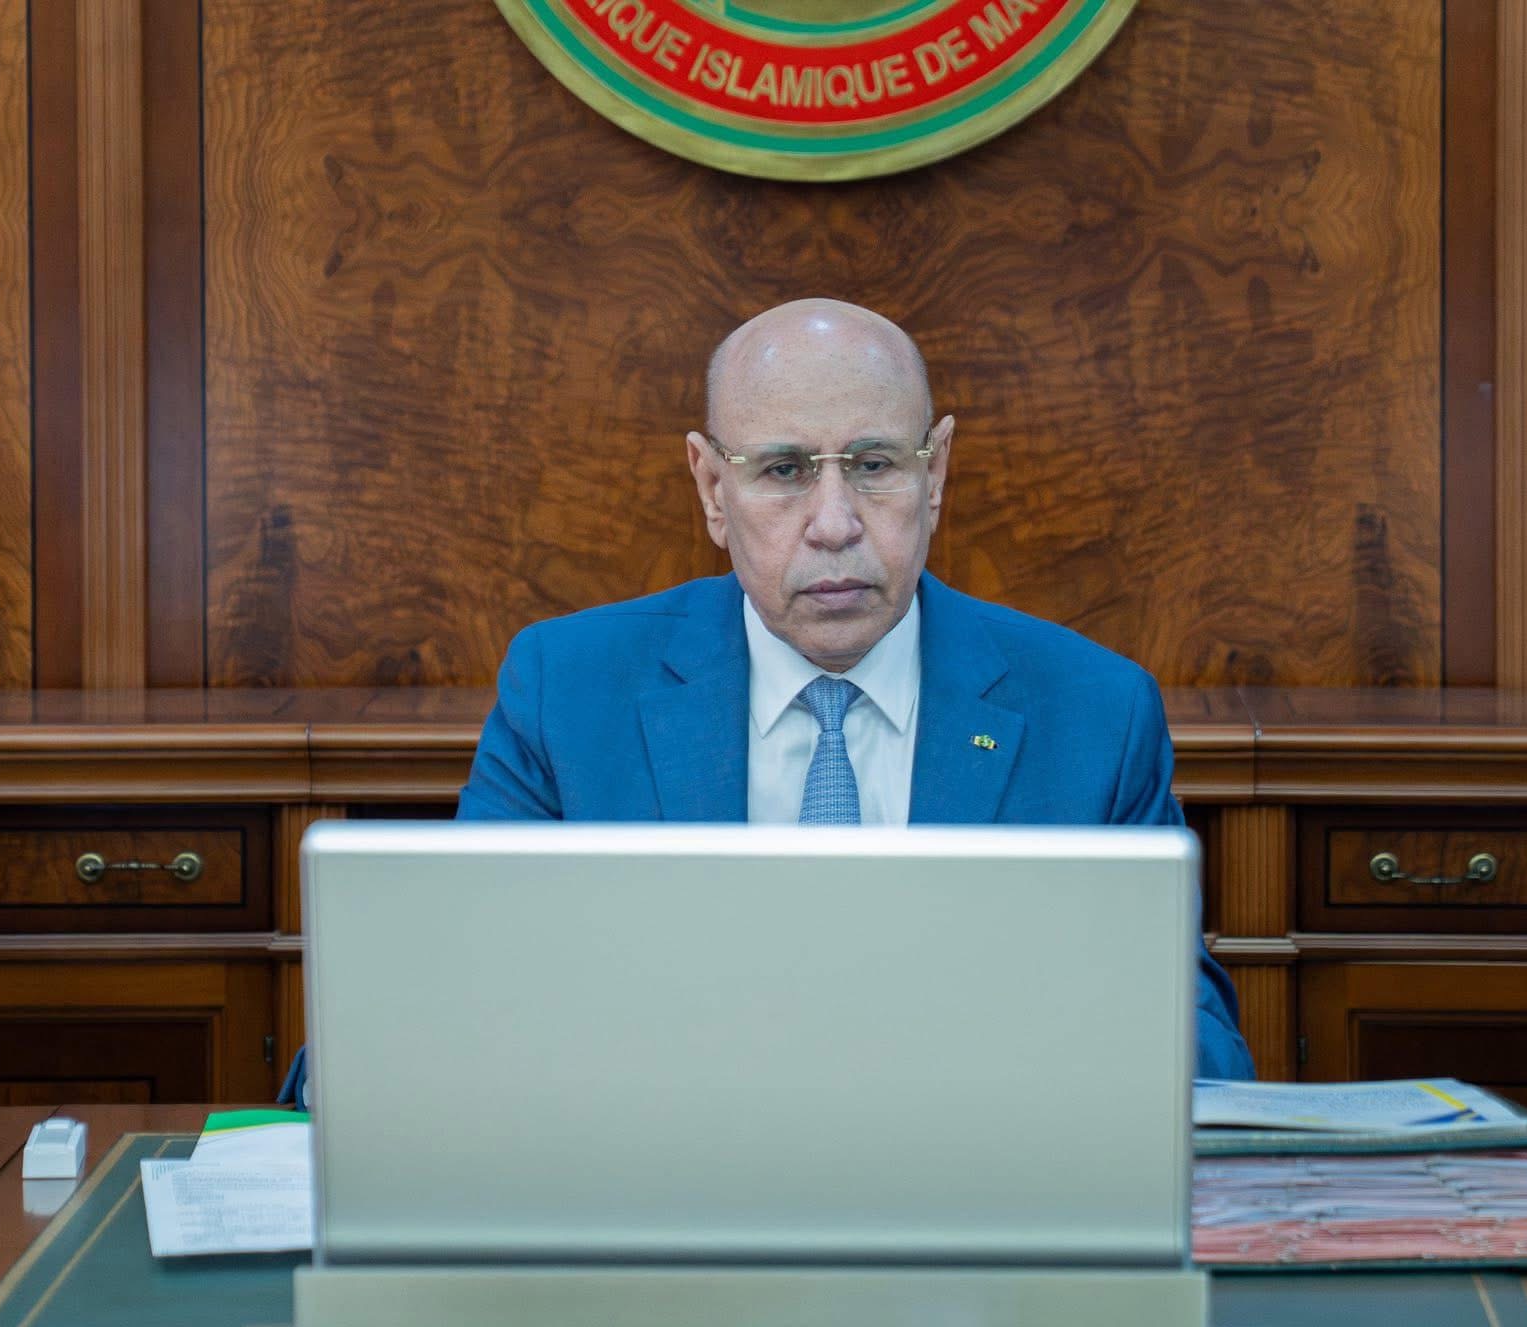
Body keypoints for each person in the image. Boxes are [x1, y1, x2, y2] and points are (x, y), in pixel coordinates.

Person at [454, 298, 1253, 1080]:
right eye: (783, 470)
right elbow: (466, 998)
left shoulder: (1095, 713)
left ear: (933, 474)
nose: (834, 525)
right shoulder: (566, 691)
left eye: (874, 466)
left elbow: (1199, 1053)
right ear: (711, 489)